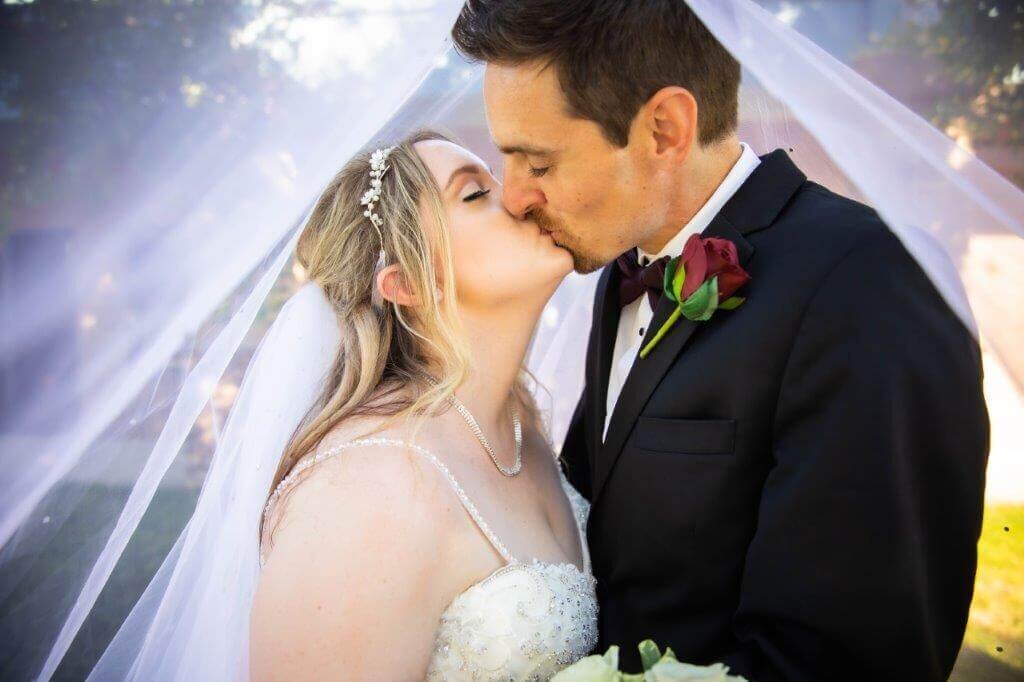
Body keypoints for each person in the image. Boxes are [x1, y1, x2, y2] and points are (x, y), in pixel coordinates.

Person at [452, 1, 990, 679]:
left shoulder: (869, 284)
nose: (515, 198)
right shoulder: (620, 272)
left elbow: (851, 657)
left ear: (665, 128)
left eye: (538, 162)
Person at [249, 131, 598, 680]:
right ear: (409, 283)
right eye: (475, 194)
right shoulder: (367, 486)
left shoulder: (521, 431)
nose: (515, 197)